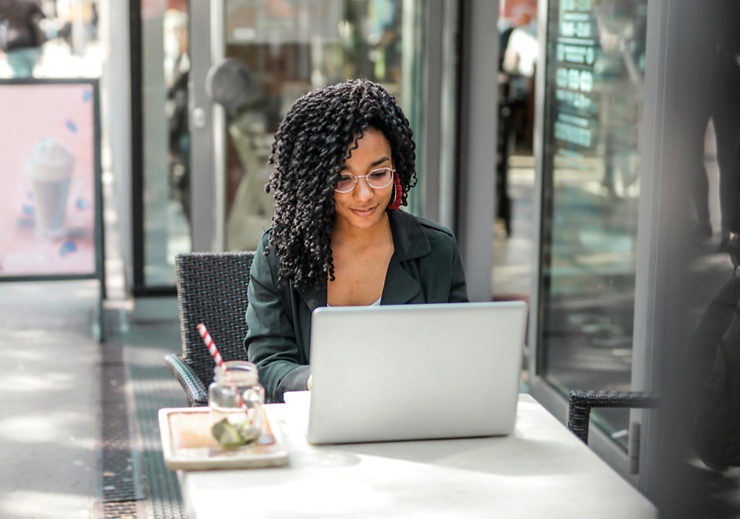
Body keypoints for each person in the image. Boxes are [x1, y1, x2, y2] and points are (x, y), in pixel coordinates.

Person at [244, 79, 469, 403]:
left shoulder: (436, 251)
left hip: (414, 422)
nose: (364, 196)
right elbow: (266, 366)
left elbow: (458, 359)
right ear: (316, 181)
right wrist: (314, 380)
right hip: (316, 429)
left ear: (398, 169)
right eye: (342, 179)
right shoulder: (280, 253)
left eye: (378, 175)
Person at [0, 0, 46, 78]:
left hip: (14, 43)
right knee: (26, 75)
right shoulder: (31, 3)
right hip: (31, 42)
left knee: (21, 76)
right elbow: (41, 15)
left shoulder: (5, 4)